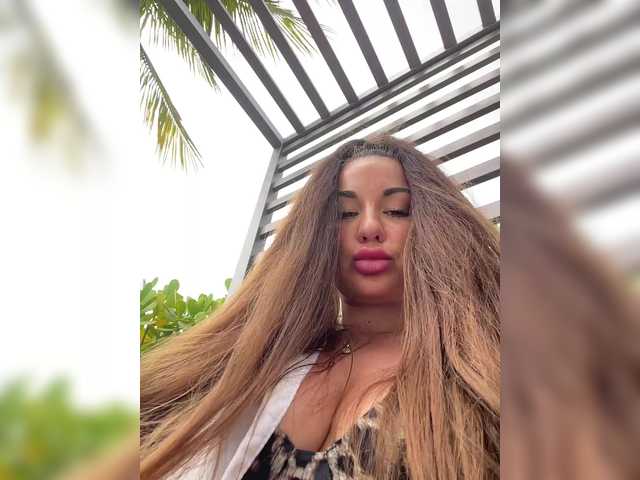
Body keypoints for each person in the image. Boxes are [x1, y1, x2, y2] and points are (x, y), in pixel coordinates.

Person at [140, 134, 500, 479]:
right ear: (316, 236)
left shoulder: (481, 370)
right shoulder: (258, 360)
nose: (369, 227)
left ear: (433, 227)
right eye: (345, 213)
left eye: (395, 210)